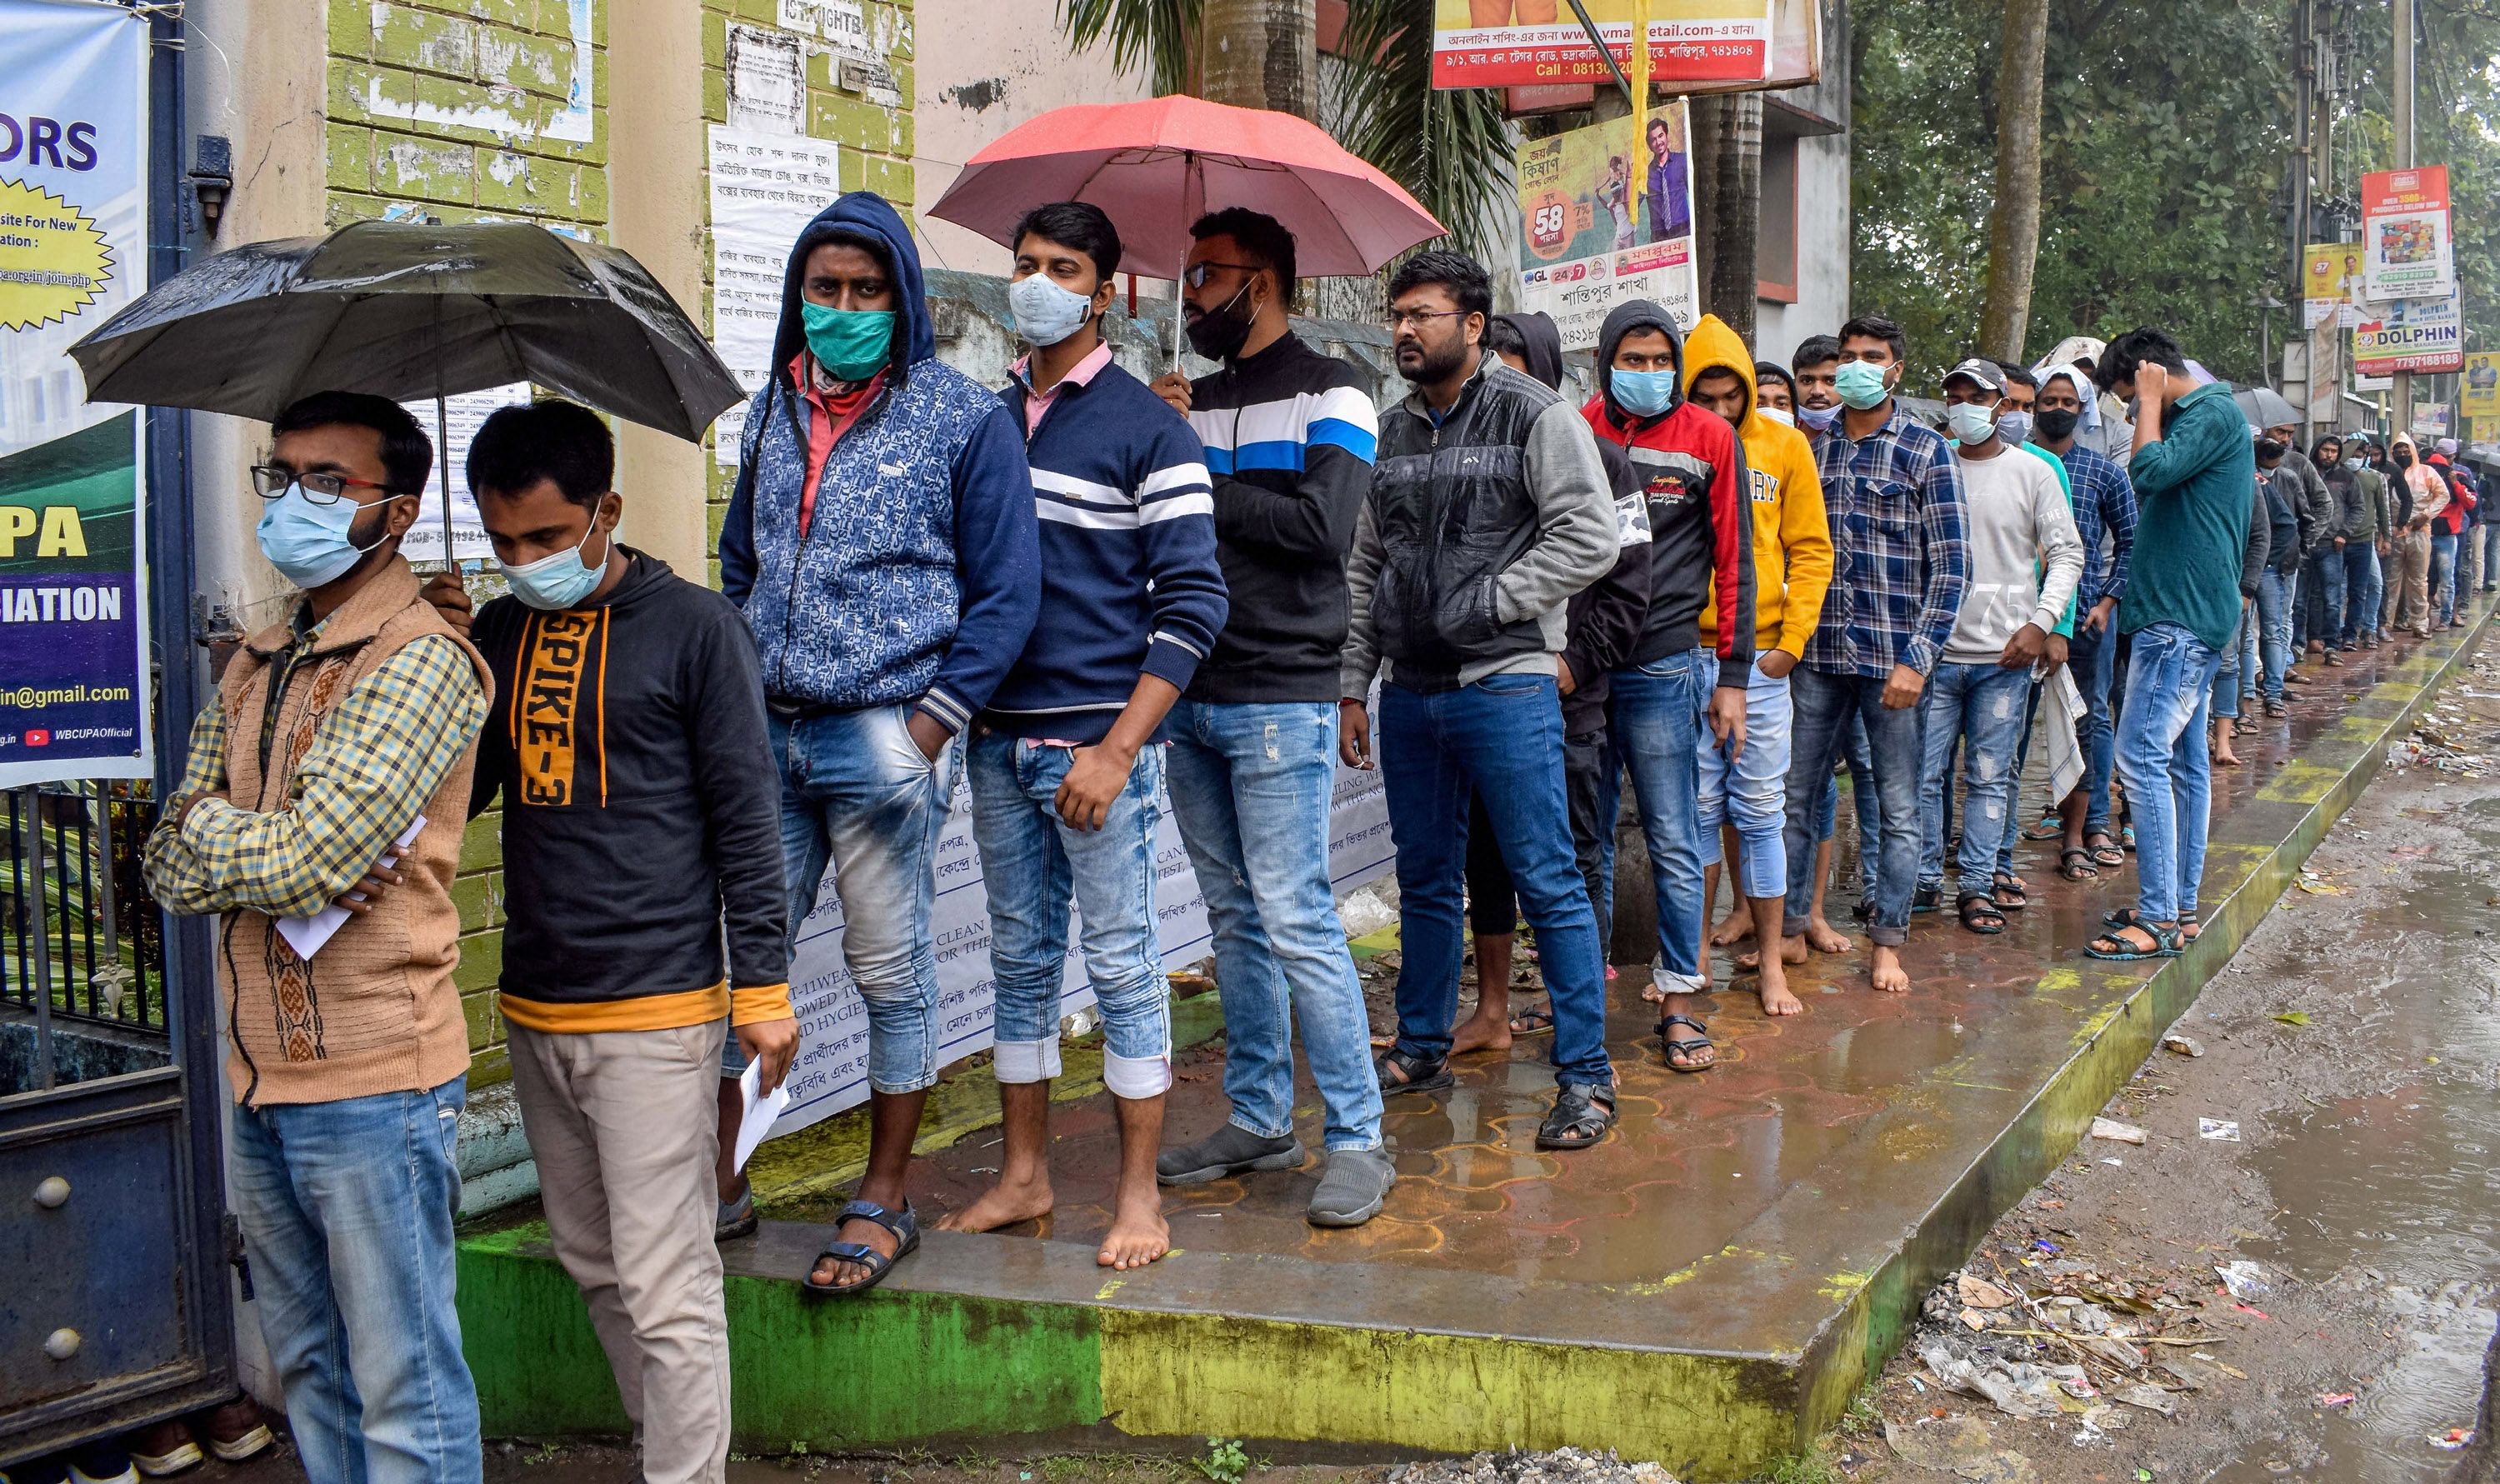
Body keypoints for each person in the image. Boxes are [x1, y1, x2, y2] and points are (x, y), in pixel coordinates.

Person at [142, 392, 490, 1484]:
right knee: (310, 1370)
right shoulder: (257, 654)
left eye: (329, 481)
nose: (294, 499)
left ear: (397, 512)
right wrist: (243, 834)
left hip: (376, 1080)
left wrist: (224, 831)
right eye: (282, 475)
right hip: (261, 1079)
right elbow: (160, 857)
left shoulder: (421, 658)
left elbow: (310, 863)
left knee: (402, 1383)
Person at [459, 401, 793, 1484]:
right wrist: (435, 661)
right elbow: (463, 795)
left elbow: (748, 817)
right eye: (504, 543)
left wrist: (765, 987)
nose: (525, 562)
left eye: (547, 540)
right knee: (595, 1265)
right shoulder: (500, 632)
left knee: (665, 1279)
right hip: (535, 1004)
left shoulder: (699, 629)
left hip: (655, 1012)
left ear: (606, 511)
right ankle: (668, 1449)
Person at [717, 191, 1042, 1293]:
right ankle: (719, 1178)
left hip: (884, 736)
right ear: (799, 296)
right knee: (743, 962)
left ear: (902, 300)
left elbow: (1007, 595)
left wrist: (928, 725)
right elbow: (737, 570)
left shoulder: (964, 421)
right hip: (770, 738)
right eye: (825, 289)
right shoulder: (768, 413)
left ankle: (886, 1196)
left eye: (865, 292)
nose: (844, 309)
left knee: (889, 975)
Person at [938, 203, 1225, 1271]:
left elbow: (1193, 607)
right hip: (994, 741)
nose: (1038, 283)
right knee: (1018, 963)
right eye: (1025, 265)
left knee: (1123, 964)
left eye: (1064, 268)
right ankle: (1023, 1177)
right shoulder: (981, 419)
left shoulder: (1153, 430)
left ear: (1103, 291)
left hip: (1094, 750)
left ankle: (1139, 1196)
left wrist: (1116, 749)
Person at [1143, 208, 1393, 1225]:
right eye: (1187, 275)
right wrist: (1159, 436)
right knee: (1233, 913)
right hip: (1188, 689)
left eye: (1209, 275)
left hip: (1285, 689)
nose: (1192, 294)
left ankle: (1358, 1136)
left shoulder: (1338, 387)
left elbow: (1319, 527)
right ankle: (1257, 1114)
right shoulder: (1185, 401)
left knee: (1293, 912)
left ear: (1267, 279)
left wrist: (1198, 469)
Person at [1341, 249, 1622, 1147]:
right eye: (1397, 316)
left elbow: (1591, 537)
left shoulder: (1536, 414)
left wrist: (1497, 600)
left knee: (1548, 879)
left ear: (1473, 324)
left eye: (1422, 314)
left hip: (1505, 685)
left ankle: (1585, 1077)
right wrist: (1354, 681)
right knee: (1426, 879)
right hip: (1410, 692)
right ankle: (1422, 1041)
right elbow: (1366, 565)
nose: (1404, 331)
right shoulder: (1391, 432)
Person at [1451, 312, 1652, 1051]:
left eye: (1510, 367)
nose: (1494, 384)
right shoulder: (1462, 460)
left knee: (1570, 858)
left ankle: (1583, 1032)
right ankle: (1493, 1012)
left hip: (1569, 698)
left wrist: (1573, 667)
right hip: (1481, 692)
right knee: (1484, 856)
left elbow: (1630, 585)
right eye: (1486, 368)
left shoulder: (1607, 461)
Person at [1581, 302, 1753, 1068]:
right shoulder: (1577, 425)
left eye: (1660, 361)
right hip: (1581, 666)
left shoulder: (1710, 437)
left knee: (1674, 835)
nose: (1648, 374)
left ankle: (1680, 1000)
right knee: (1582, 841)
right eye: (1634, 359)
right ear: (1606, 360)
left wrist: (1733, 678)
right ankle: (1578, 995)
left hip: (1665, 665)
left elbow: (1735, 563)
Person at [1774, 315, 1967, 992]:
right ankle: (1792, 928)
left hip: (1894, 665)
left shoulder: (1926, 451)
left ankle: (1887, 941)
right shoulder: (1812, 452)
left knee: (1898, 805)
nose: (1855, 368)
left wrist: (1919, 658)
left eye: (1870, 357)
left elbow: (1951, 567)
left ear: (1895, 369)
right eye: (1847, 356)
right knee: (1795, 796)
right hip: (1817, 658)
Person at [1677, 315, 1831, 1018]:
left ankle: (1772, 961)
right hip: (1682, 658)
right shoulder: (1667, 443)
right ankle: (1697, 956)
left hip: (1761, 661)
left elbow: (1811, 550)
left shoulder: (1784, 443)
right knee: (1695, 813)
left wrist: (1790, 644)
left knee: (1762, 813)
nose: (1717, 412)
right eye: (1702, 398)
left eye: (1728, 397)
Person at [2084, 328, 2252, 961]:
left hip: (2178, 621)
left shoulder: (2210, 412)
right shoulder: (2207, 421)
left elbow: (2148, 471)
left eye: (2128, 398)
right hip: (2180, 615)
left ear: (2149, 375)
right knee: (2182, 765)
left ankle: (2156, 919)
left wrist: (2150, 403)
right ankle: (2176, 909)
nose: (2129, 415)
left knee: (2140, 755)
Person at [1917, 359, 2082, 932]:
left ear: (2001, 404)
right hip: (1934, 654)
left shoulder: (2034, 471)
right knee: (1923, 773)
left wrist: (2042, 623)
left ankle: (1978, 884)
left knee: (1990, 775)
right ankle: (1921, 881)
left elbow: (2066, 552)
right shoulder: (1930, 464)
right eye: (1954, 395)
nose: (1963, 405)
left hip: (2004, 657)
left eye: (1976, 396)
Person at [1782, 334, 1873, 951]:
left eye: (1827, 378)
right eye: (1807, 380)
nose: (1818, 391)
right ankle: (1785, 916)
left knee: (1865, 774)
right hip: (1789, 646)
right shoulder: (1783, 449)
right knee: (1798, 783)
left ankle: (1825, 908)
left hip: (1859, 642)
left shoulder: (1857, 447)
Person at [2028, 365, 2136, 879]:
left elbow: (2133, 543)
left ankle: (2089, 827)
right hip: (2019, 617)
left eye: (2068, 402)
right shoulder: (2018, 464)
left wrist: (2107, 602)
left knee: (2089, 719)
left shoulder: (2105, 472)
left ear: (2084, 409)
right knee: (2015, 726)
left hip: (2089, 616)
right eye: (2048, 400)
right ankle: (2000, 846)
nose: (2057, 409)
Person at [2275, 421, 2338, 667]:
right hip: (2252, 552)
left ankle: (2281, 668)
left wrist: (2305, 541)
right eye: (2280, 432)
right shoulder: (2245, 459)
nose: (2285, 438)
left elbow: (2324, 504)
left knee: (2284, 613)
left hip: (2288, 553)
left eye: (2290, 434)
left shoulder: (2296, 465)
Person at [2327, 435, 2386, 651]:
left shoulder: (2374, 479)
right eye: (2352, 455)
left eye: (2360, 456)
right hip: (2335, 541)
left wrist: (2385, 537)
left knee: (2361, 590)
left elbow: (2381, 510)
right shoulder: (2333, 478)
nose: (2355, 459)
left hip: (2363, 542)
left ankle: (2354, 633)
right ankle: (2335, 633)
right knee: (2335, 592)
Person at [2390, 433, 2443, 638]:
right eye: (2398, 452)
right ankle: (2385, 624)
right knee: (2391, 581)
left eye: (2406, 451)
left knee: (2419, 580)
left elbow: (2443, 495)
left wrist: (2426, 515)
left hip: (2419, 532)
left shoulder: (2426, 472)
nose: (2403, 455)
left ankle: (2419, 624)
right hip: (2394, 532)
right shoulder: (2390, 472)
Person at [2426, 440, 2478, 627]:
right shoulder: (2425, 472)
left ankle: (2449, 617)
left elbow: (2471, 502)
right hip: (2427, 532)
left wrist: (2455, 483)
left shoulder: (2461, 474)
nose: (2445, 461)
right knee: (2427, 578)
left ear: (2454, 456)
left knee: (2450, 578)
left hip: (2452, 533)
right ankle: (2426, 617)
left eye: (2448, 457)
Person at [1645, 112, 1692, 242]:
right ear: (1649, 145)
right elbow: (1631, 208)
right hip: (1658, 236)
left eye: (1660, 136)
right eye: (1653, 139)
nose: (1658, 142)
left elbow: (1694, 196)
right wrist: (1630, 177)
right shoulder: (1646, 173)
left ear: (1667, 136)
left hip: (1683, 229)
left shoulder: (1682, 160)